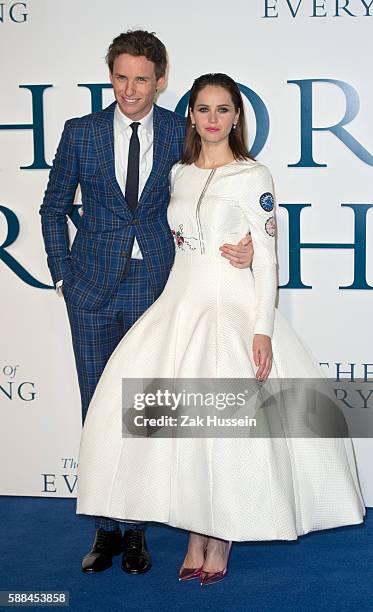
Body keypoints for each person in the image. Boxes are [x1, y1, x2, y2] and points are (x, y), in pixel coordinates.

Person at [76, 72, 365, 585]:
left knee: (230, 427)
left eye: (223, 110)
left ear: (237, 116)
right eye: (204, 109)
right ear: (190, 115)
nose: (213, 119)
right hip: (180, 305)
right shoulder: (179, 173)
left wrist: (261, 329)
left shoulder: (254, 176)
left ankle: (222, 533)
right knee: (181, 423)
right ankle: (195, 529)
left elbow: (269, 261)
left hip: (233, 308)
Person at [39, 31, 253, 575]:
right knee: (99, 407)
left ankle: (136, 534)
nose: (130, 89)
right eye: (120, 77)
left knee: (146, 411)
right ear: (109, 77)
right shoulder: (80, 132)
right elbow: (52, 207)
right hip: (88, 289)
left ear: (161, 80)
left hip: (157, 286)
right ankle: (104, 532)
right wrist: (64, 275)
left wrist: (248, 239)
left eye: (141, 78)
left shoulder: (181, 137)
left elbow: (216, 190)